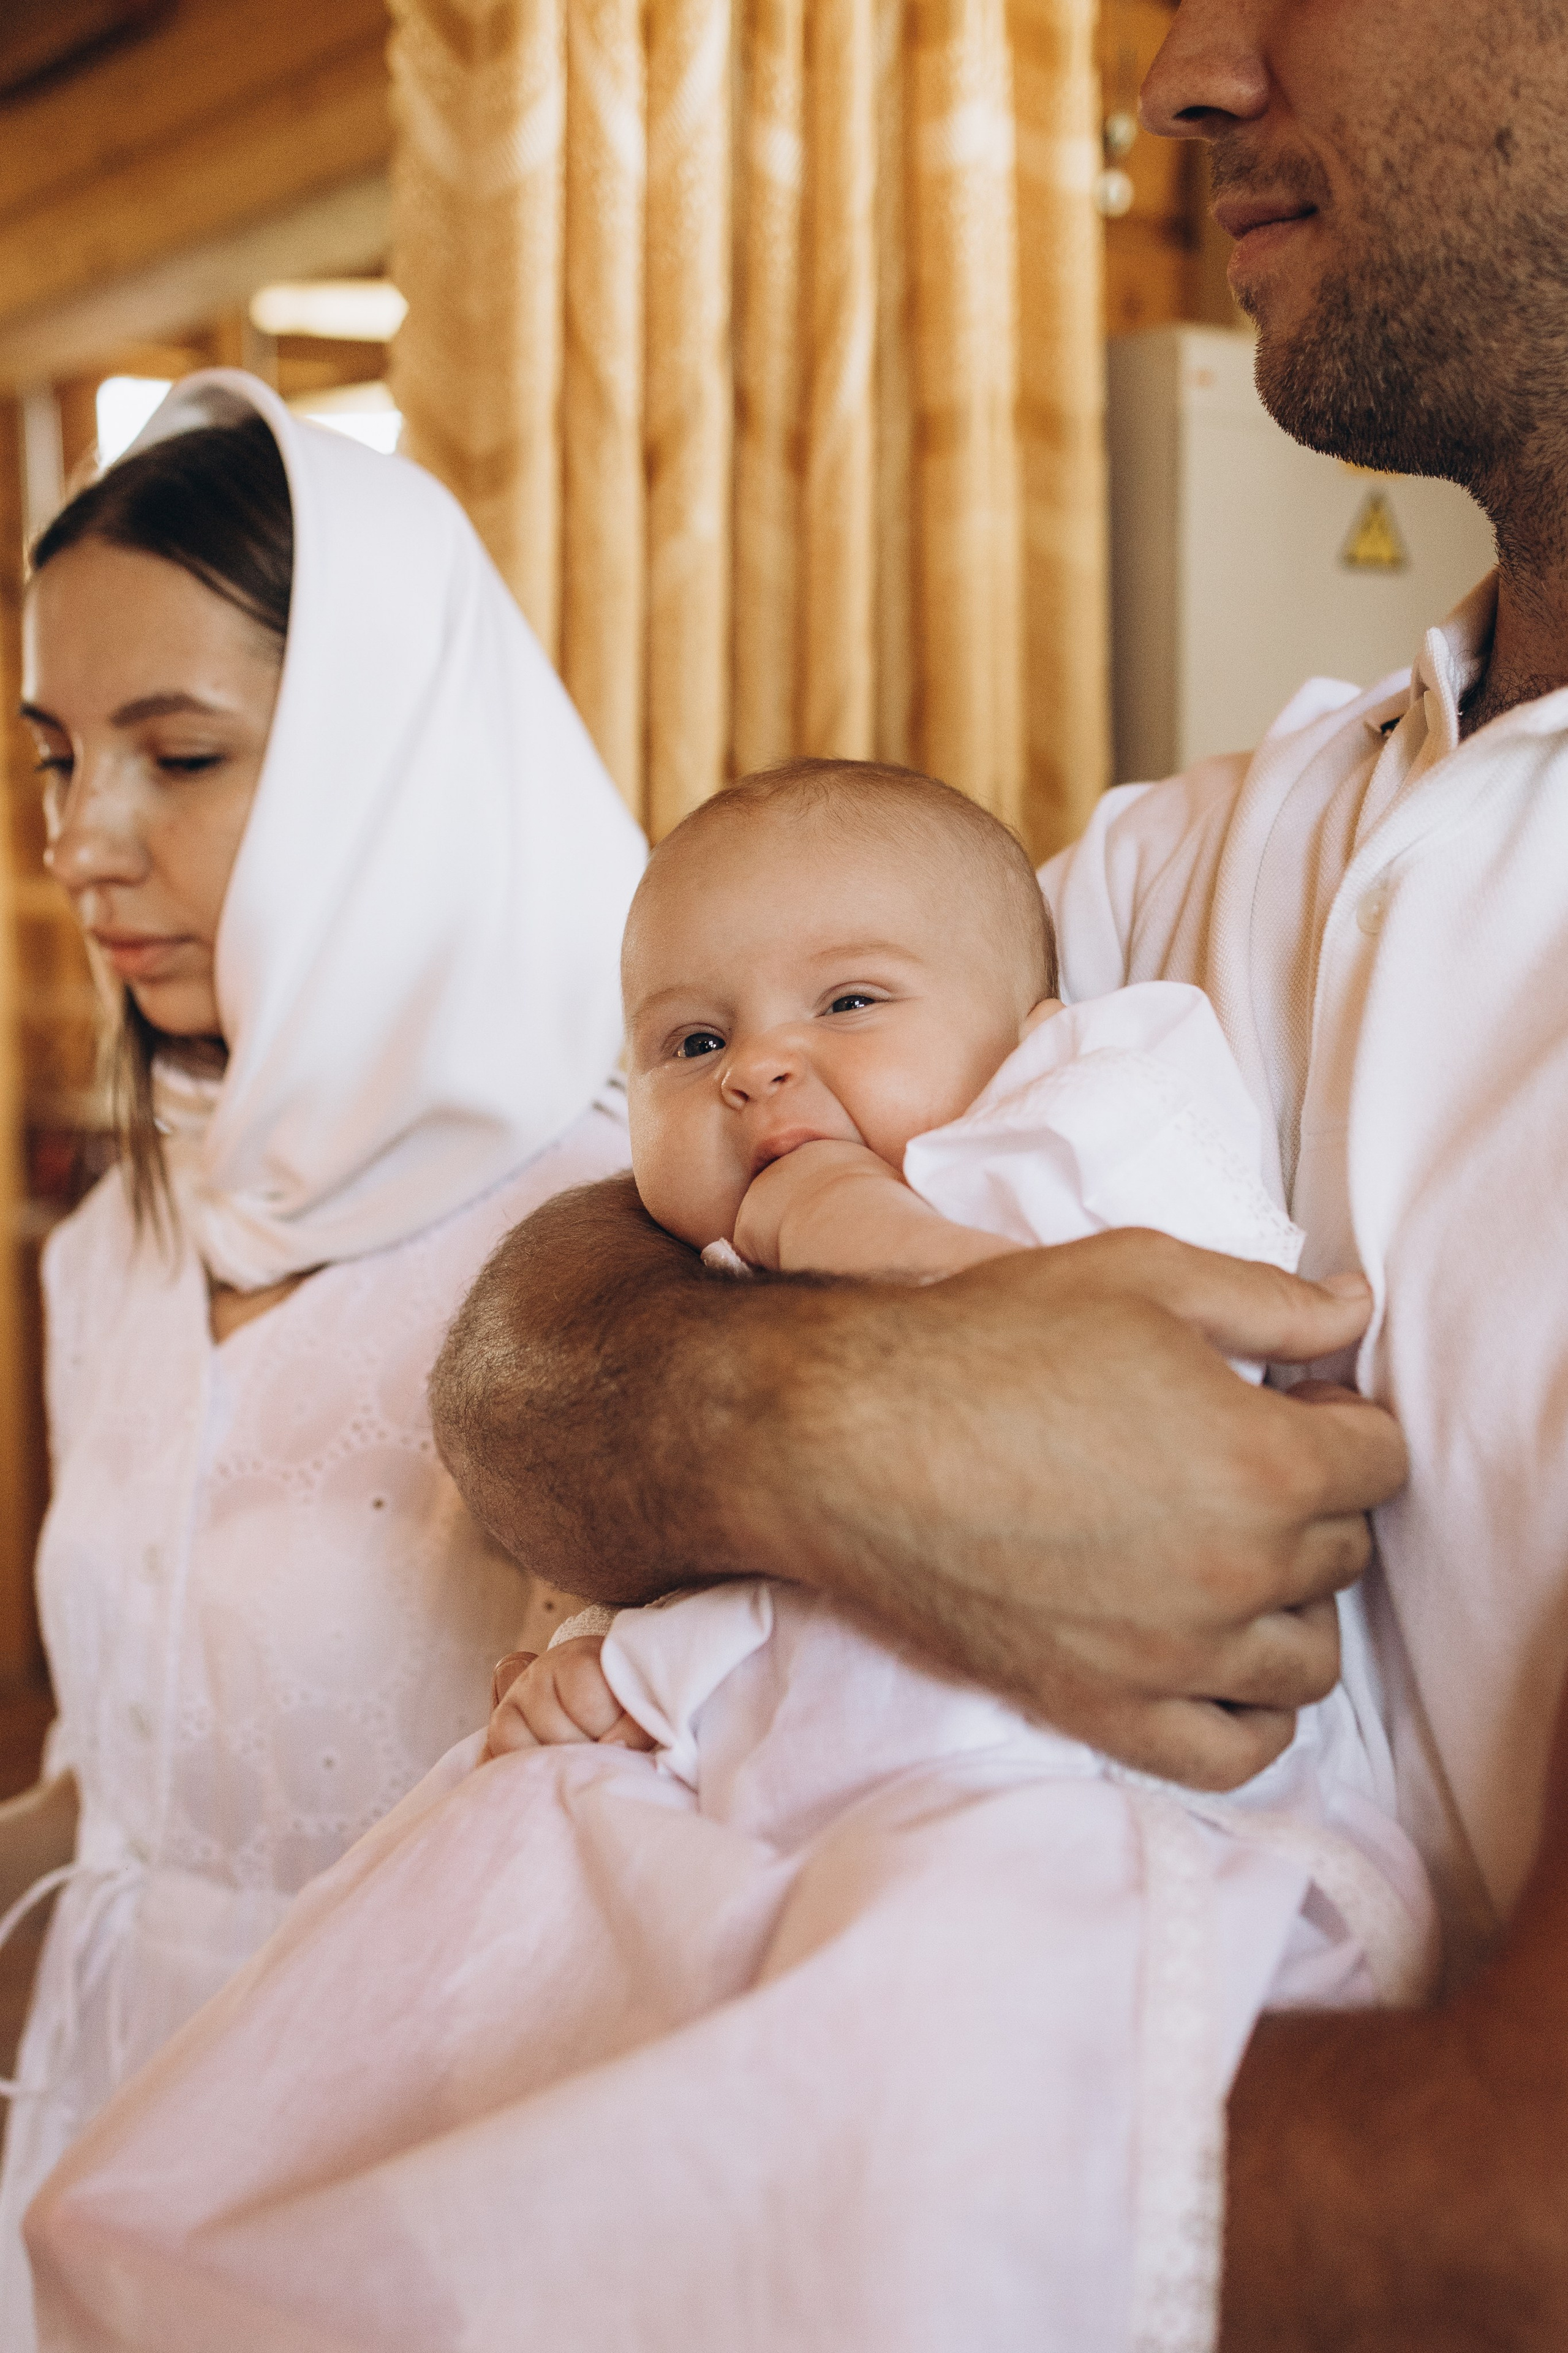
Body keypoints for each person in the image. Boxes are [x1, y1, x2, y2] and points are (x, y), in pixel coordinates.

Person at [429, 1, 1568, 2340]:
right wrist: (853, 1426)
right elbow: (540, 1309)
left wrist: (543, 2163)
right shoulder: (1195, 859)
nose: (1177, 74)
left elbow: (1518, 2211)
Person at [20, 763, 1433, 2353]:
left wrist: (842, 1223)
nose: (763, 1066)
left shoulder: (1098, 1088)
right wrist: (627, 1667)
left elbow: (1127, 1355)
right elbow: (782, 1587)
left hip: (1053, 1831)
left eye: (846, 1001)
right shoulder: (722, 1222)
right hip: (791, 1803)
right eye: (693, 1042)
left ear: (1034, 1025)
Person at [0, 369, 644, 2348]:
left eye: (177, 755)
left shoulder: (599, 1228)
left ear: (390, 766)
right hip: (87, 2170)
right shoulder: (120, 1238)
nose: (80, 843)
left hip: (408, 2214)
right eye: (52, 756)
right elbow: (119, 1784)